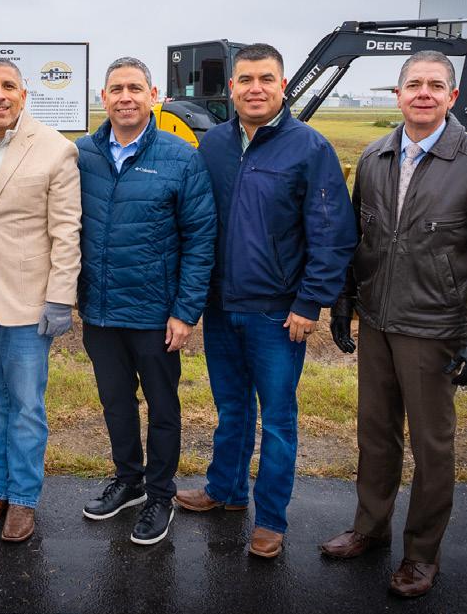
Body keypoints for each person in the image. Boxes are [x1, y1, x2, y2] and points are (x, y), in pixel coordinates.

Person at [320, 50, 467, 597]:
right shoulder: (375, 157)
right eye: (414, 84)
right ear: (398, 94)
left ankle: (421, 554)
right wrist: (344, 302)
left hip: (435, 329)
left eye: (436, 85)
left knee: (432, 448)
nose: (424, 93)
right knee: (375, 434)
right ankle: (370, 528)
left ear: (452, 97)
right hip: (377, 323)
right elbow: (358, 239)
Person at [174, 43, 357, 559]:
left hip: (278, 313)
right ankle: (226, 490)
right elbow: (196, 223)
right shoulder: (213, 145)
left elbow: (332, 234)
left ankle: (271, 518)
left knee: (277, 419)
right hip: (221, 306)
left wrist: (310, 301)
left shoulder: (309, 148)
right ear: (232, 87)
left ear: (283, 86)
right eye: (246, 80)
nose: (256, 88)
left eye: (267, 79)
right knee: (231, 408)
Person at [76, 56, 216, 545]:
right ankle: (128, 480)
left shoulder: (181, 157)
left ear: (153, 96)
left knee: (161, 406)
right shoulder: (82, 154)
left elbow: (200, 238)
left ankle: (160, 493)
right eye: (116, 89)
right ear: (103, 98)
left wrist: (185, 311)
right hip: (100, 310)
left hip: (156, 314)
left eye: (135, 88)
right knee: (115, 402)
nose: (125, 97)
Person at [0, 58, 82, 542]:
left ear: (24, 95)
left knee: (26, 406)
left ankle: (24, 499)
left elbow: (66, 230)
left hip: (28, 306)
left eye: (8, 86)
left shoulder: (55, 149)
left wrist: (60, 298)